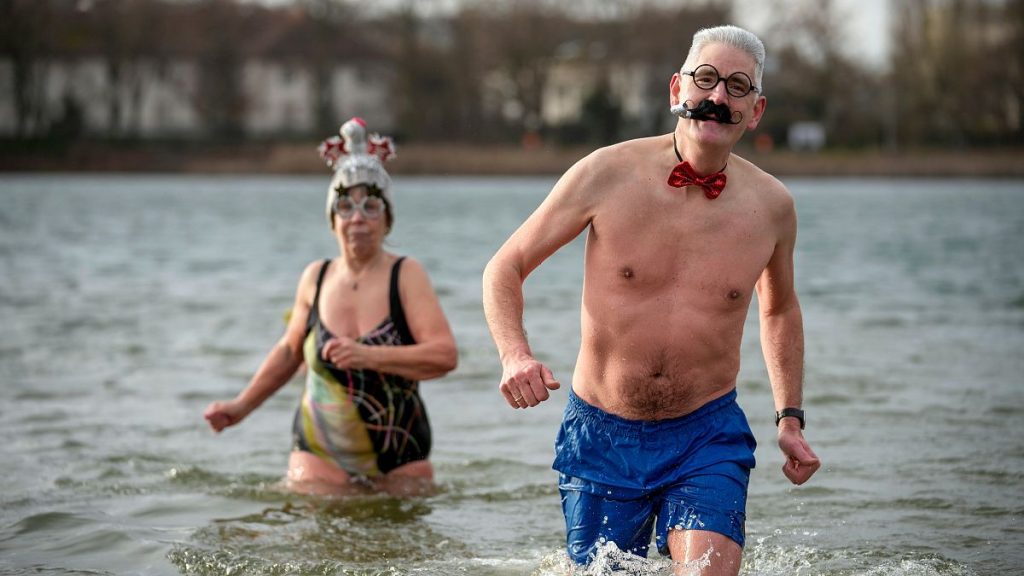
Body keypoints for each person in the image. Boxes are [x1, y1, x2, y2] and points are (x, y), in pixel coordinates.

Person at [482, 25, 820, 573]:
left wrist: (790, 418)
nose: (717, 98)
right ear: (675, 90)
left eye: (737, 87)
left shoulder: (773, 207)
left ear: (755, 112)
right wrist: (514, 353)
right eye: (705, 80)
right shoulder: (605, 173)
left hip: (706, 433)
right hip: (601, 431)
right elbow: (505, 266)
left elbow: (778, 308)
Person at [204, 118, 458, 496]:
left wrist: (368, 356)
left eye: (372, 206)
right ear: (332, 219)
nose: (358, 218)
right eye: (345, 206)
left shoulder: (406, 274)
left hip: (400, 450)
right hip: (319, 448)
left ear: (387, 220)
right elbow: (290, 352)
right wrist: (241, 407)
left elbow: (444, 356)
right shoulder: (315, 277)